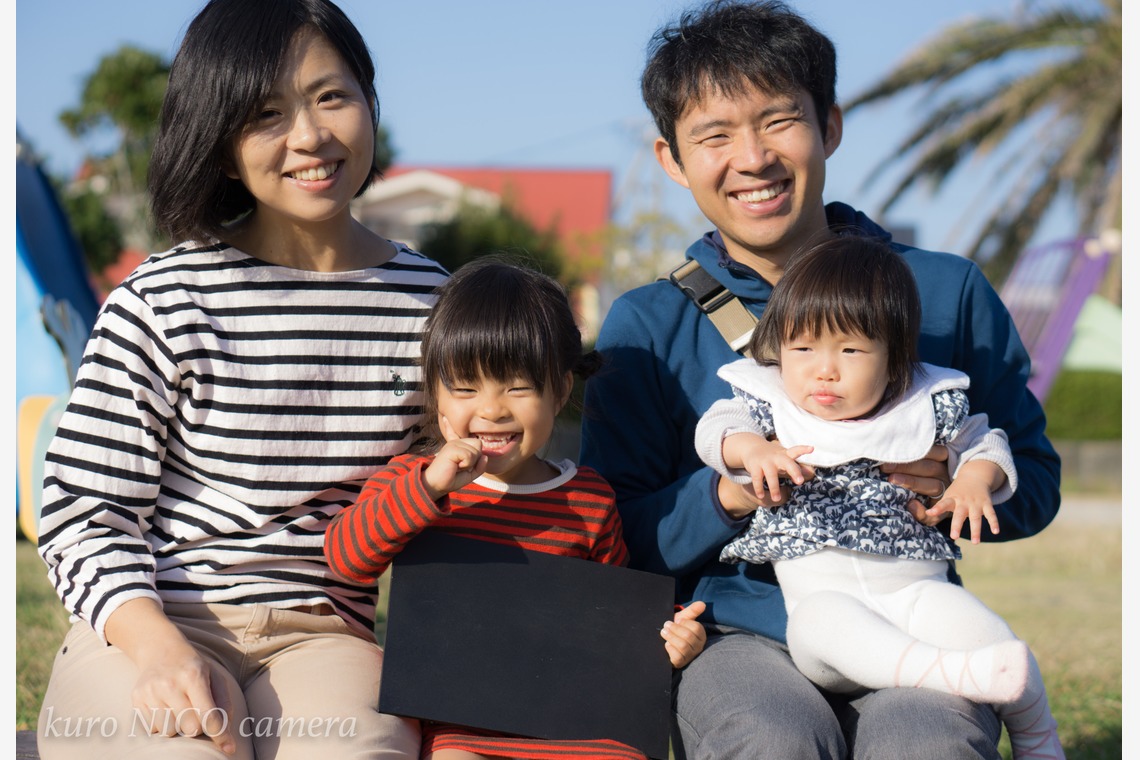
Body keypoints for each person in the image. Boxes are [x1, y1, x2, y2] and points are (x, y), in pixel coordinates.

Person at [579, 1, 1062, 758]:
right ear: (671, 158)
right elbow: (616, 532)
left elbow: (1035, 478)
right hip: (731, 634)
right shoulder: (646, 325)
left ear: (829, 125)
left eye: (778, 120)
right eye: (714, 135)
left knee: (927, 741)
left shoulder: (944, 292)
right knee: (770, 736)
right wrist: (729, 491)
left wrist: (964, 484)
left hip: (912, 613)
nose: (753, 158)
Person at [36, 1, 448, 758]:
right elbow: (82, 513)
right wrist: (160, 650)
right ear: (223, 148)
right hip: (150, 624)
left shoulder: (436, 306)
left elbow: (470, 495)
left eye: (332, 96)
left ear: (369, 100)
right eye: (265, 113)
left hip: (326, 637)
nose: (310, 136)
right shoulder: (164, 297)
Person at [694, 237, 1063, 760]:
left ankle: (1037, 733)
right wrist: (751, 451)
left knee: (983, 630)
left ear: (894, 360)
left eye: (850, 350)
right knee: (822, 622)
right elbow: (718, 428)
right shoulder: (770, 402)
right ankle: (944, 672)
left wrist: (974, 480)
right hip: (824, 614)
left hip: (914, 591)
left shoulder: (924, 402)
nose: (824, 370)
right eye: (803, 348)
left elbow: (987, 442)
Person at [324, 257, 708, 760]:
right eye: (464, 387)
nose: (491, 409)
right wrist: (429, 487)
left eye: (518, 386)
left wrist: (673, 630)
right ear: (436, 395)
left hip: (581, 729)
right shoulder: (414, 484)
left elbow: (615, 610)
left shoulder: (588, 498)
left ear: (560, 391)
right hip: (465, 729)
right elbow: (347, 559)